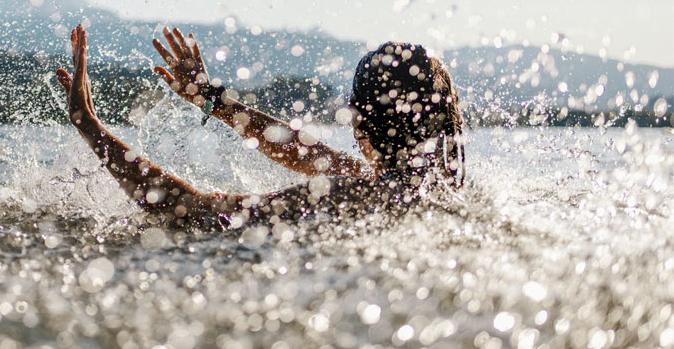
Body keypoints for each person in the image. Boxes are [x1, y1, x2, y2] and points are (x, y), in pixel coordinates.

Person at [55, 25, 463, 229]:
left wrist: (90, 127)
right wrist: (215, 102)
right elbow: (317, 158)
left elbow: (198, 214)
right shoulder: (445, 191)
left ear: (362, 125)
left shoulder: (353, 197)